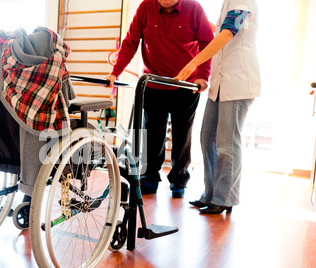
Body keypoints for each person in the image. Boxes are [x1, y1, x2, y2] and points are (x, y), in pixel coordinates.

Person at [105, 0, 214, 198]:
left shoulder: (194, 8)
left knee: (182, 135)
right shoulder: (146, 8)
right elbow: (130, 42)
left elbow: (208, 42)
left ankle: (179, 180)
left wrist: (202, 76)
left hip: (186, 86)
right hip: (153, 84)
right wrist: (115, 73)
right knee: (153, 135)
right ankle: (150, 178)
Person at [175, 0, 261, 213]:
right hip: (221, 84)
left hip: (239, 82)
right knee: (207, 138)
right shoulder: (226, 3)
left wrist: (194, 62)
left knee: (227, 143)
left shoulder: (243, 1)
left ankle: (224, 198)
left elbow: (227, 33)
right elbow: (217, 33)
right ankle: (211, 193)